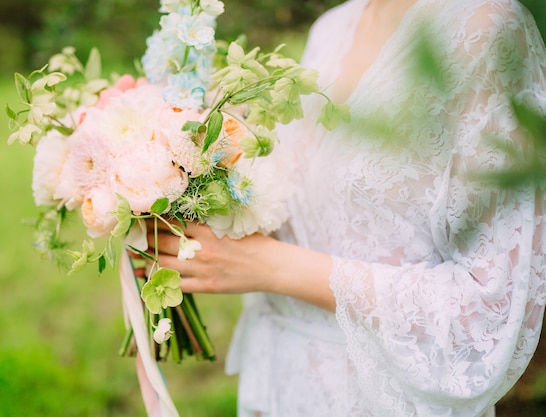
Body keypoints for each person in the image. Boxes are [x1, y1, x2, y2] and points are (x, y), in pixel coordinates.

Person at [146, 0, 546, 415]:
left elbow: (489, 310)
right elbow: (313, 212)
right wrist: (174, 209)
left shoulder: (489, 27)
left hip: (383, 398)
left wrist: (271, 267)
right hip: (283, 384)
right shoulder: (330, 29)